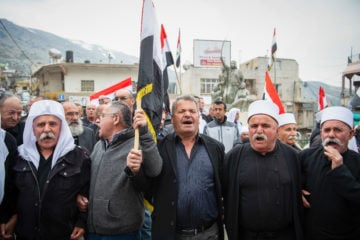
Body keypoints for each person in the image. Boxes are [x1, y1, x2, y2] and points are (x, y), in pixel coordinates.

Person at [1, 100, 91, 240]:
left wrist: (82, 222)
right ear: (33, 128)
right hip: (26, 233)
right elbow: (10, 193)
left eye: (53, 124)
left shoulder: (79, 156)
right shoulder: (19, 156)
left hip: (65, 234)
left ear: (61, 127)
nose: (47, 129)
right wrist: (6, 217)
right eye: (41, 124)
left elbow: (87, 194)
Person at [78, 101, 162, 240]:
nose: (97, 120)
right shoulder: (99, 145)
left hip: (122, 232)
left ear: (115, 118)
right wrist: (81, 195)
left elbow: (155, 170)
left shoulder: (136, 143)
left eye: (102, 116)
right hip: (93, 229)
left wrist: (145, 134)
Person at [223, 100, 303, 240]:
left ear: (277, 131)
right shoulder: (234, 157)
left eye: (265, 125)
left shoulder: (293, 156)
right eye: (254, 126)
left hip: (284, 235)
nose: (259, 130)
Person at [150, 95, 225, 240]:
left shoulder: (215, 148)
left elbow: (223, 186)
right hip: (172, 234)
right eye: (181, 111)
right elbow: (147, 187)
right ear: (172, 119)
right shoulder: (160, 148)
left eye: (192, 111)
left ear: (199, 117)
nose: (187, 115)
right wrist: (133, 171)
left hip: (209, 234)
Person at [300, 106, 360, 240]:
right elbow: (291, 179)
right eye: (327, 130)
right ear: (321, 133)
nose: (331, 135)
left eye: (338, 130)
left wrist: (339, 169)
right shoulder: (306, 157)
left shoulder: (357, 162)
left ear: (350, 134)